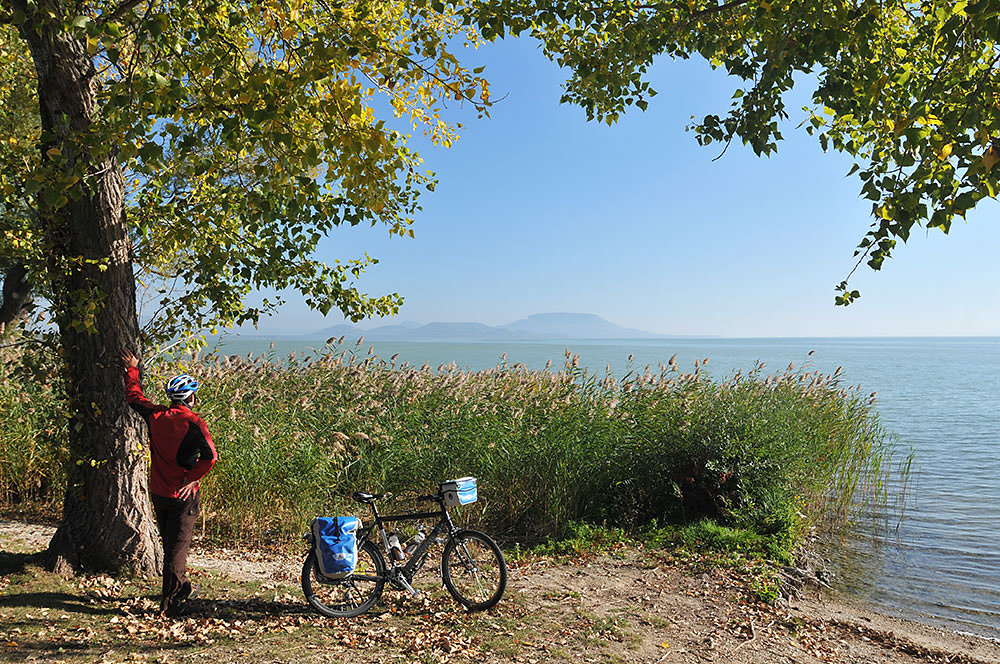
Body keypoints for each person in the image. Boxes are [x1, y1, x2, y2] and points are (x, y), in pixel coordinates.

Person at [121, 350, 217, 617]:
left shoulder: (156, 416)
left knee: (170, 545)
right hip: (183, 496)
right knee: (176, 551)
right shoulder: (195, 423)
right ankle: (169, 605)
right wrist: (192, 477)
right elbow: (210, 456)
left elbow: (135, 398)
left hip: (159, 492)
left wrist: (132, 369)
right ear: (191, 398)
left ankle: (182, 587)